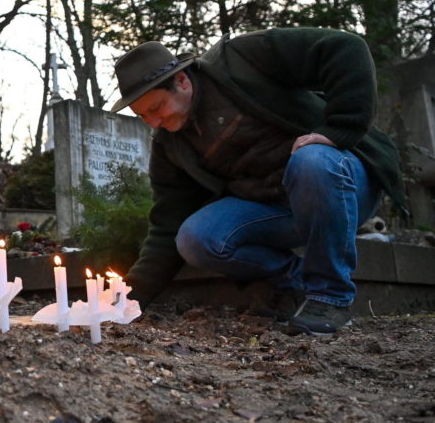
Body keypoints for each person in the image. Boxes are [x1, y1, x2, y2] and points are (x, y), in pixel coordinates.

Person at [112, 28, 406, 336]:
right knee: (195, 238)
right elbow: (167, 226)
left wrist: (341, 128)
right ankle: (298, 282)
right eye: (143, 116)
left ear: (182, 81)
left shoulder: (240, 60)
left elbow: (344, 47)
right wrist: (131, 298)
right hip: (275, 212)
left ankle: (330, 296)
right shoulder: (170, 145)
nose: (155, 123)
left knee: (311, 159)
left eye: (156, 108)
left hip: (341, 183)